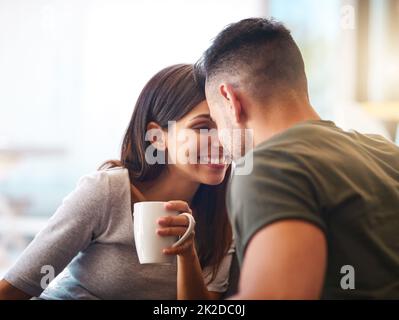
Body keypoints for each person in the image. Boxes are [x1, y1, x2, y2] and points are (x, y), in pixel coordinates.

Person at [194, 18, 399, 299]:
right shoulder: (387, 153)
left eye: (216, 121)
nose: (219, 138)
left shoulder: (269, 168)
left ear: (230, 100)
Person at [0, 64, 236, 300]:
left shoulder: (227, 210)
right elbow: (17, 287)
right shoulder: (106, 192)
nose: (222, 141)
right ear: (157, 137)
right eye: (202, 127)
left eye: (227, 126)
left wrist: (188, 255)